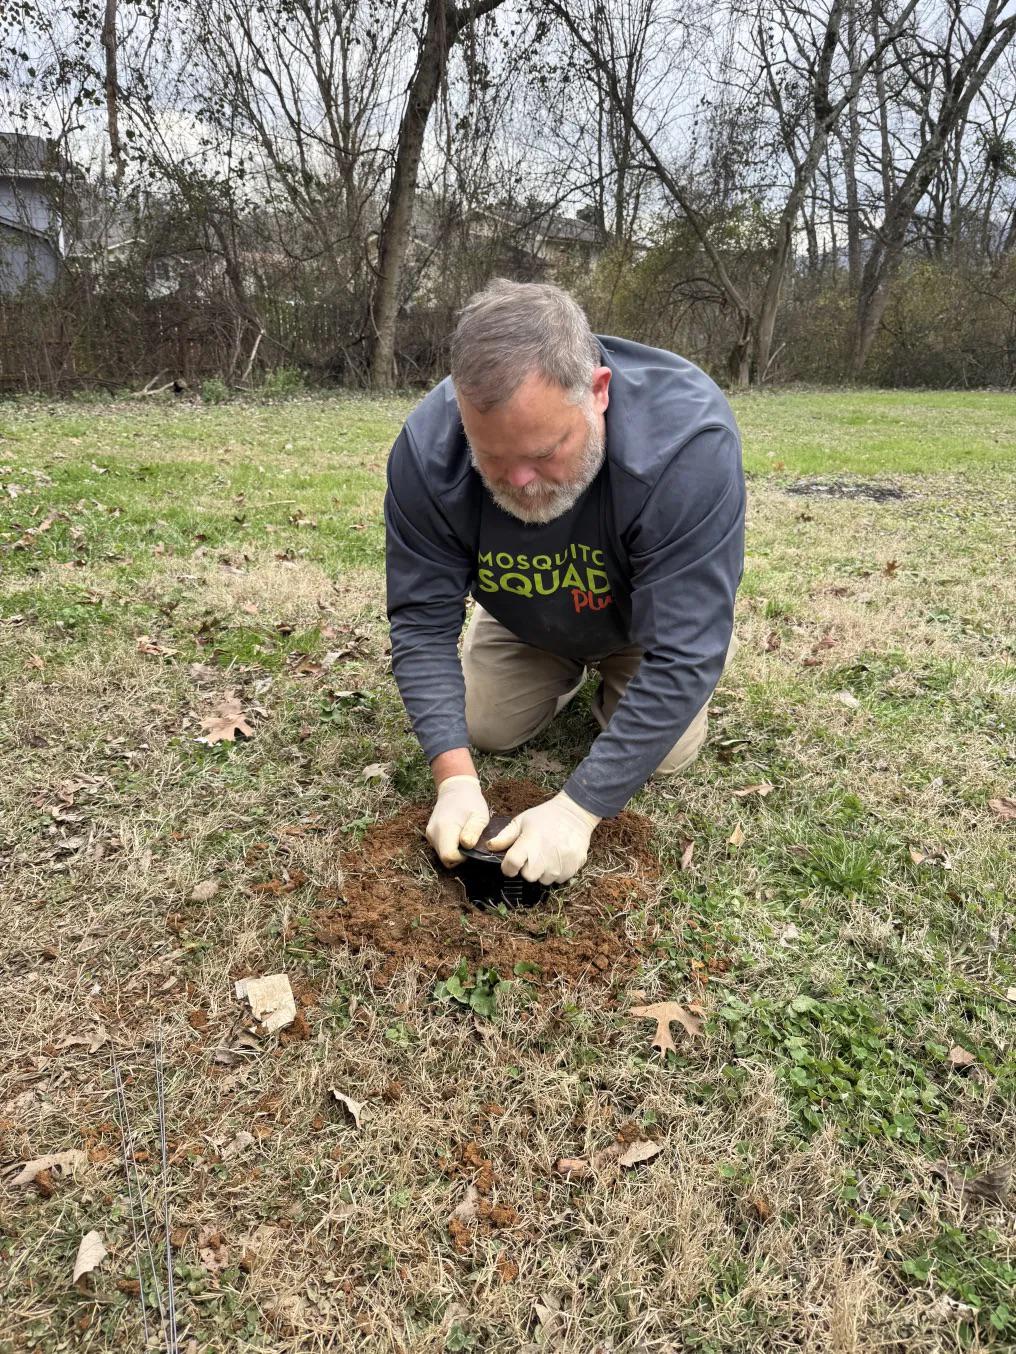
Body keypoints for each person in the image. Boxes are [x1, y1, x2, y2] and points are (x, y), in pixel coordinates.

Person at [384, 279, 745, 887]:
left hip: (644, 622)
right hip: (527, 612)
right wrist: (454, 780)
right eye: (493, 458)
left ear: (598, 392)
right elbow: (420, 621)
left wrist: (579, 811)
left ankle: (674, 647)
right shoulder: (426, 451)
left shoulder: (687, 442)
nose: (521, 481)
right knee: (481, 728)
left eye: (545, 452)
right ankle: (553, 656)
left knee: (665, 756)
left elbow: (683, 652)